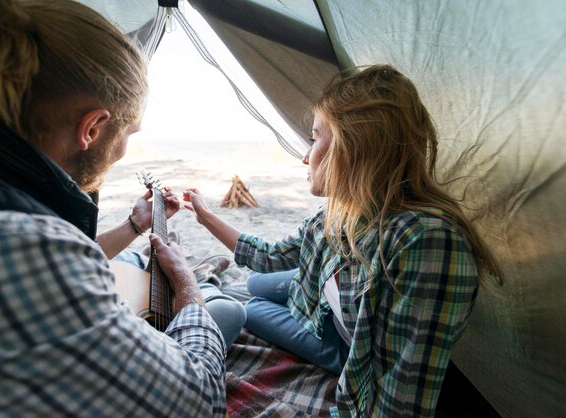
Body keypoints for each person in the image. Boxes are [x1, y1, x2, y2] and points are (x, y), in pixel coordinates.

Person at [0, 1, 226, 416]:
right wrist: (186, 284)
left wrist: (134, 223)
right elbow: (199, 400)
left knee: (129, 258)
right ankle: (208, 283)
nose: (124, 149)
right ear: (92, 127)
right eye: (128, 132)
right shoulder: (11, 245)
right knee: (223, 312)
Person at [183, 65, 503, 417]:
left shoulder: (426, 244)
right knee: (256, 281)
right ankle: (240, 296)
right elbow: (268, 256)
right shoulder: (339, 215)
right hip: (327, 305)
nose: (306, 157)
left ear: (353, 144)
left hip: (345, 346)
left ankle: (220, 297)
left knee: (248, 306)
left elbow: (402, 394)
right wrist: (204, 214)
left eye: (314, 138)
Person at [98, 188, 246, 349]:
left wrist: (138, 222)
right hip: (158, 354)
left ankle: (155, 264)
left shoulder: (70, 254)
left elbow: (87, 251)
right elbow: (200, 366)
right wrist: (182, 273)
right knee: (231, 310)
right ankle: (197, 278)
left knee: (127, 258)